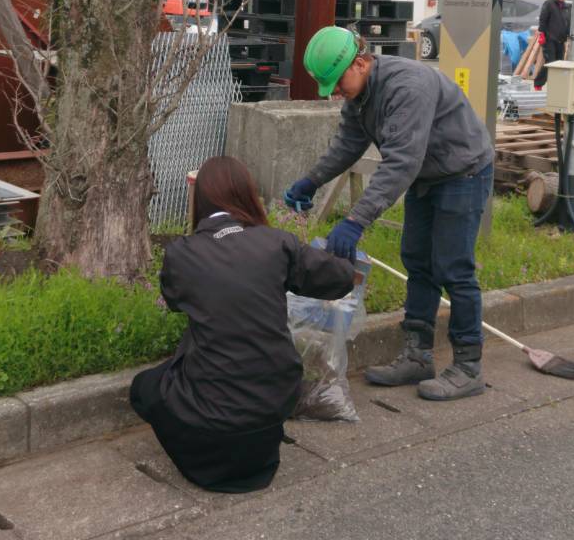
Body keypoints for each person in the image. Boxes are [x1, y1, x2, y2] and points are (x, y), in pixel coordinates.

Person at [284, 26, 495, 401]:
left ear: (361, 63)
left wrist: (355, 221)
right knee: (417, 260)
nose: (335, 92)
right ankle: (417, 355)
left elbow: (400, 163)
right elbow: (348, 144)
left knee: (453, 267)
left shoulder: (407, 87)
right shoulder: (360, 95)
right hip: (427, 175)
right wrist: (310, 181)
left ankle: (468, 366)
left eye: (336, 82)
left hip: (463, 171)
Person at [130, 156, 355, 493]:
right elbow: (340, 279)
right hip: (273, 402)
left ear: (200, 199)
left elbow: (175, 301)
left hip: (208, 422)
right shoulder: (278, 243)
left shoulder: (182, 252)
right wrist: (343, 249)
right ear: (249, 194)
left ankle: (204, 449)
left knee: (144, 388)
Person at [534, 0, 572, 89]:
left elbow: (567, 22)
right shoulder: (549, 4)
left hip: (561, 39)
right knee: (551, 62)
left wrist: (568, 35)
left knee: (559, 63)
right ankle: (538, 83)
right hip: (549, 38)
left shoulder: (566, 7)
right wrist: (541, 33)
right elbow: (543, 19)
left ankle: (555, 86)